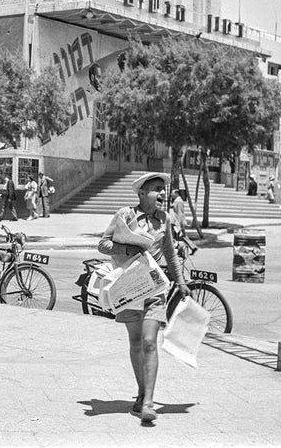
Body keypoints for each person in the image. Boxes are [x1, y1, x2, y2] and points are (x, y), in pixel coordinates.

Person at [97, 172, 190, 424]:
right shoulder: (125, 216)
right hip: (128, 287)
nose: (162, 193)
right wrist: (130, 248)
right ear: (141, 194)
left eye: (163, 189)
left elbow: (170, 254)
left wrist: (180, 283)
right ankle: (141, 392)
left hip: (155, 288)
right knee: (136, 342)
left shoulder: (165, 220)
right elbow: (103, 244)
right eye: (156, 189)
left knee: (150, 341)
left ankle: (148, 401)